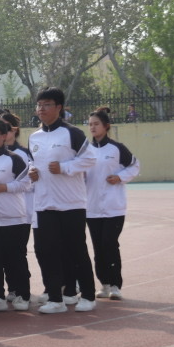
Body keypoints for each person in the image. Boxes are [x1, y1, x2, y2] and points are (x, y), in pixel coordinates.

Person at [28, 87, 98, 314]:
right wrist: (31, 172)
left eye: (47, 104)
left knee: (76, 251)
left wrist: (65, 168)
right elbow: (33, 162)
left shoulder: (72, 133)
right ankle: (55, 299)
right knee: (47, 251)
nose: (41, 109)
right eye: (39, 105)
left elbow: (89, 159)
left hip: (71, 204)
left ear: (59, 107)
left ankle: (87, 295)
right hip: (43, 204)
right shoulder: (34, 137)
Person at [85, 108, 141, 301]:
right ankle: (105, 284)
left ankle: (116, 285)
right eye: (90, 124)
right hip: (92, 208)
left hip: (113, 207)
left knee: (109, 244)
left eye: (96, 124)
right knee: (98, 247)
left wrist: (120, 177)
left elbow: (135, 166)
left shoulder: (117, 148)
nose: (93, 127)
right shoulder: (86, 151)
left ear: (106, 126)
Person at [0, 117, 32, 312]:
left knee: (15, 260)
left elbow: (26, 183)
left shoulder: (14, 159)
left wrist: (6, 187)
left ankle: (22, 295)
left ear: (3, 136)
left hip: (13, 219)